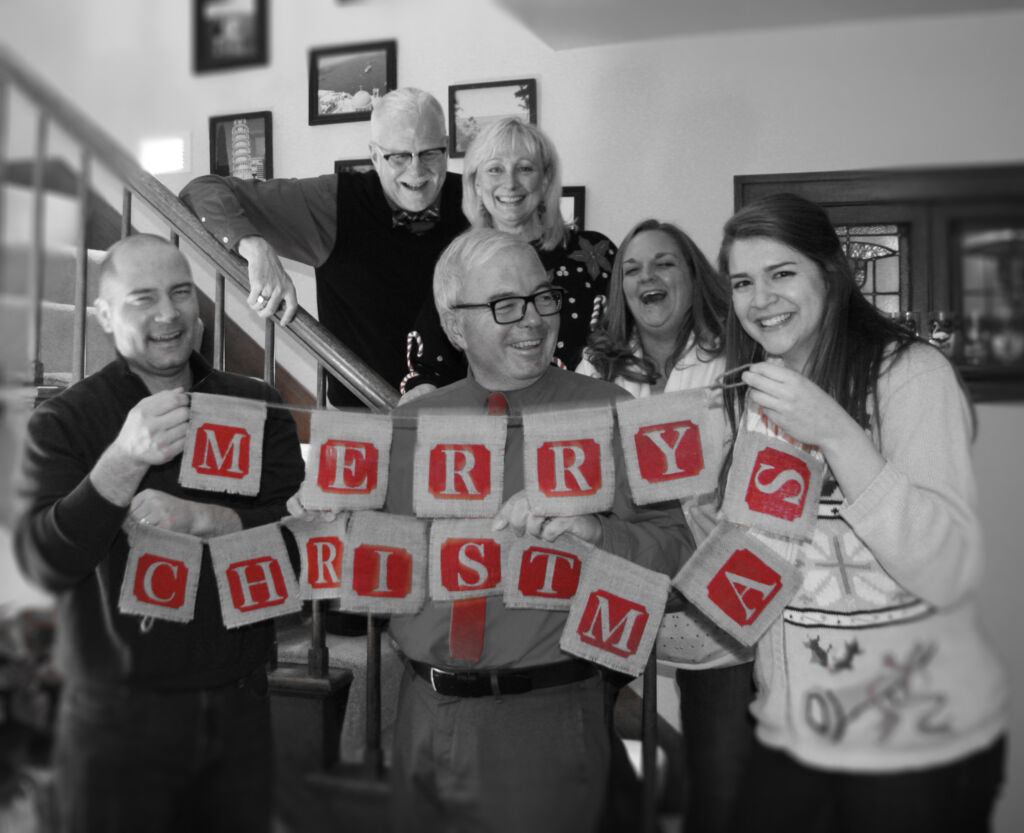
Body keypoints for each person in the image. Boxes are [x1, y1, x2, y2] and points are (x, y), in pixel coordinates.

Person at [372, 228, 691, 832]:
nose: (534, 320)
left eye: (543, 298)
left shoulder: (613, 411)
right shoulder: (413, 424)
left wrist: (597, 532)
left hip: (545, 723)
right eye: (505, 305)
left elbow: (678, 555)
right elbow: (379, 564)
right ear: (455, 325)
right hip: (419, 713)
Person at [716, 194, 1007, 833]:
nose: (760, 298)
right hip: (791, 726)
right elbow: (775, 552)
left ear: (832, 271)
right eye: (743, 281)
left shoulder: (911, 374)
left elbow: (947, 566)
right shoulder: (759, 391)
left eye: (782, 273)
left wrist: (837, 433)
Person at [13, 234, 304, 833]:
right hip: (113, 718)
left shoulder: (257, 404)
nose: (168, 314)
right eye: (143, 299)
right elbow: (44, 563)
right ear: (103, 315)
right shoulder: (62, 422)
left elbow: (295, 549)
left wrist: (207, 521)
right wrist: (122, 460)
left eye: (180, 293)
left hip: (239, 698)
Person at [578, 219, 755, 833]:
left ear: (693, 276)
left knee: (724, 755)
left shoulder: (737, 359)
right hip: (621, 568)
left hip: (711, 573)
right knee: (580, 727)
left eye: (664, 264)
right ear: (620, 288)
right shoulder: (594, 368)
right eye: (631, 269)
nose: (646, 278)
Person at [179, 87, 468, 407]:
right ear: (374, 155)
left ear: (445, 148)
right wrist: (255, 248)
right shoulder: (333, 202)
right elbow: (201, 191)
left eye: (429, 153)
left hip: (468, 412)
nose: (416, 170)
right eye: (399, 156)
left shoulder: (477, 197)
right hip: (363, 423)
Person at [400, 117, 615, 400]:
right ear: (476, 184)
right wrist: (423, 392)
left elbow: (632, 342)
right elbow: (430, 364)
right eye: (495, 170)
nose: (510, 183)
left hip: (587, 420)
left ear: (546, 178)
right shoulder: (461, 263)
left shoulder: (594, 253)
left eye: (524, 168)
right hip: (493, 429)